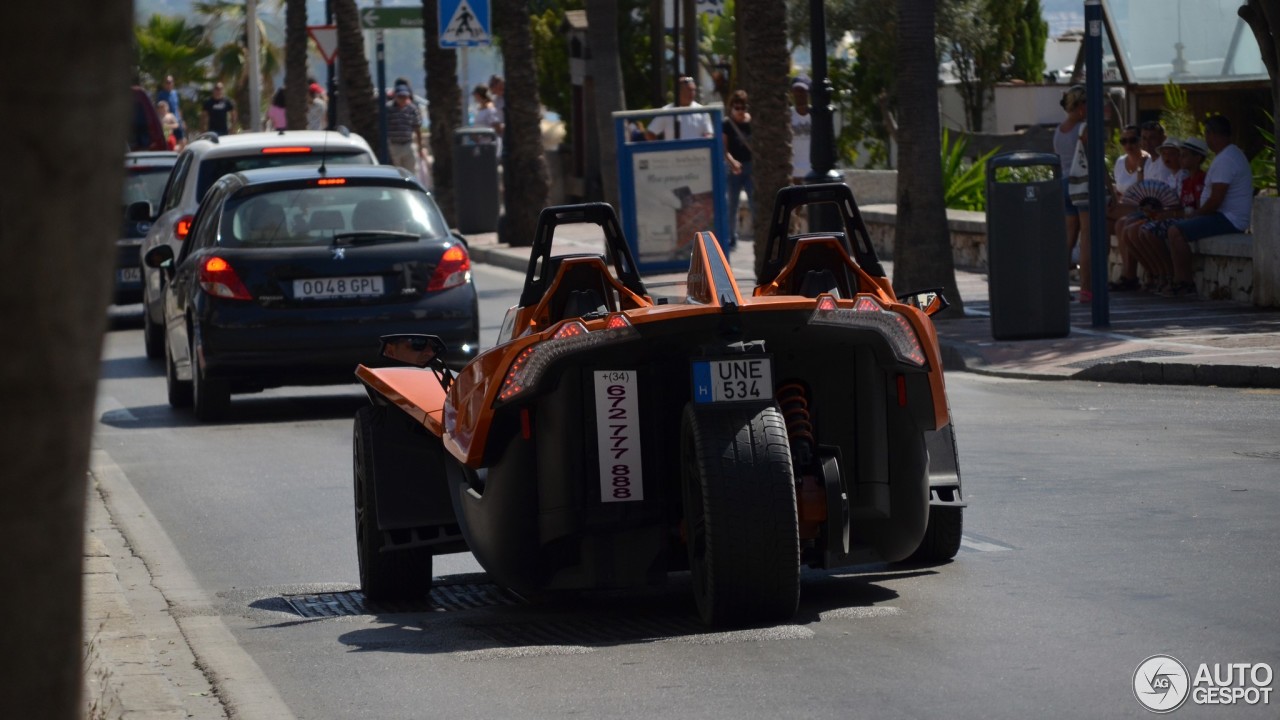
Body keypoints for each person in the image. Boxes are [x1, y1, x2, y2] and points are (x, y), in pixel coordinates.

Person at [1164, 116, 1254, 298]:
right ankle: (1177, 280)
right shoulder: (1230, 155)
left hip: (1228, 219)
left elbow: (1216, 199)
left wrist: (1196, 214)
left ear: (1211, 134)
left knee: (1175, 231)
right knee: (1174, 228)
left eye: (1206, 135)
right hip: (1224, 216)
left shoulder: (1227, 159)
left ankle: (1184, 282)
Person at [1131, 137, 1209, 293]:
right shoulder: (1183, 180)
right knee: (1138, 230)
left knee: (1148, 231)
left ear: (1198, 158)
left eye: (1183, 155)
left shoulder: (1200, 179)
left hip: (1187, 219)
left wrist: (1169, 214)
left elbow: (1194, 208)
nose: (1180, 159)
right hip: (1178, 217)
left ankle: (1171, 275)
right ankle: (1161, 274)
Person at [1054, 85, 1086, 275]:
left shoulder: (1059, 130)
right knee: (1087, 235)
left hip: (1064, 181)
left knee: (1069, 235)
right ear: (1081, 104)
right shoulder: (1081, 128)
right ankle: (1086, 280)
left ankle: (1061, 276)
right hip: (1079, 183)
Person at [722, 90, 753, 251]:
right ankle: (731, 238)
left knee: (754, 202)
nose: (740, 111)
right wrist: (733, 162)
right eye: (737, 107)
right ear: (732, 107)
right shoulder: (727, 124)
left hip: (751, 167)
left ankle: (757, 236)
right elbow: (724, 149)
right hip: (734, 169)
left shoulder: (752, 122)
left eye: (743, 107)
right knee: (732, 204)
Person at [644, 76, 713, 141]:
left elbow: (709, 133)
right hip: (674, 153)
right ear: (679, 92)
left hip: (697, 153)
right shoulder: (666, 111)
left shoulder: (702, 110)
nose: (692, 93)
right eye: (689, 90)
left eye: (693, 90)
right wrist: (660, 150)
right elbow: (650, 133)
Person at [386, 82, 425, 174]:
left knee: (411, 172)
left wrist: (420, 147)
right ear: (396, 96)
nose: (403, 99)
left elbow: (417, 128)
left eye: (405, 97)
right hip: (394, 145)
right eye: (401, 97)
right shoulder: (388, 108)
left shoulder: (412, 109)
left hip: (408, 145)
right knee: (395, 172)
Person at [789, 77, 813, 185]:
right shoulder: (787, 115)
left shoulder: (816, 115)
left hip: (812, 171)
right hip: (794, 172)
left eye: (802, 91)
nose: (799, 94)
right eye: (796, 91)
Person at [155, 75, 186, 148]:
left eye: (170, 82)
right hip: (167, 122)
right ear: (164, 84)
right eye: (167, 82)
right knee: (169, 142)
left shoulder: (175, 93)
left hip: (176, 120)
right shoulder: (161, 95)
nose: (169, 84)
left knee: (183, 140)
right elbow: (160, 108)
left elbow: (177, 107)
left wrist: (182, 120)